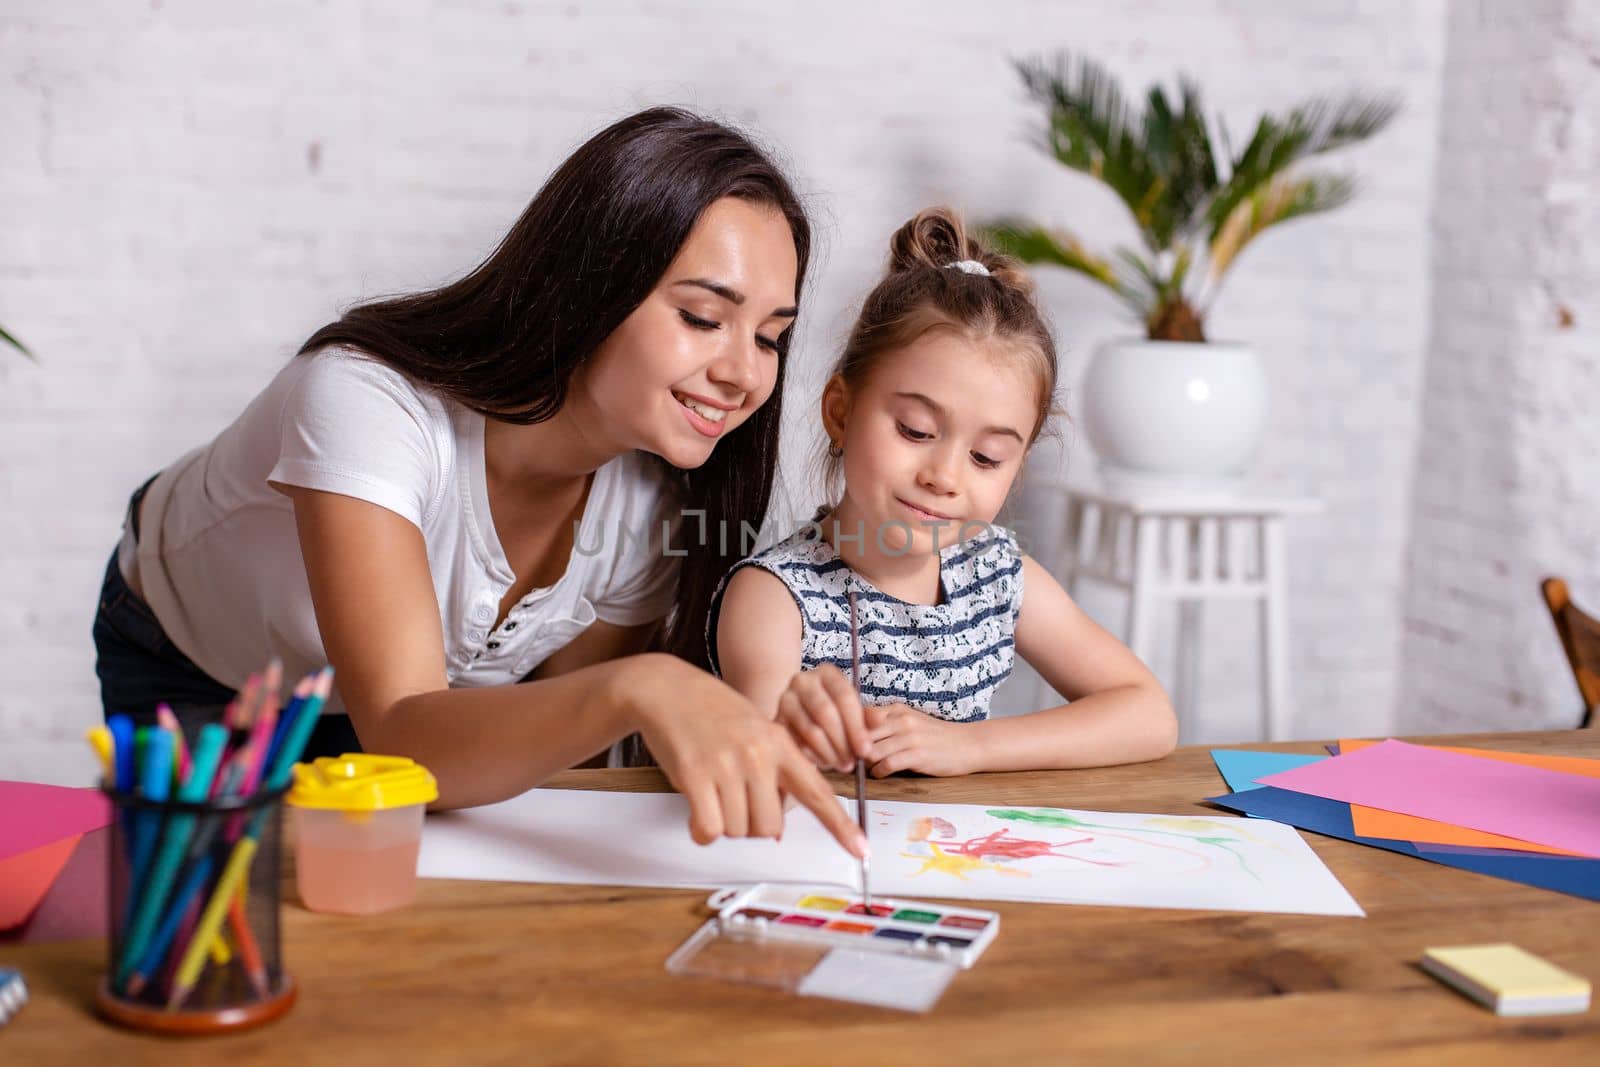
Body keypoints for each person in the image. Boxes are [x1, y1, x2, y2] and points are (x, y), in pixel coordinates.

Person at [91, 106, 867, 857]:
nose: (742, 373)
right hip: (205, 669)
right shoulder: (365, 402)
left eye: (771, 337)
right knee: (219, 937)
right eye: (703, 317)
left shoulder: (656, 509)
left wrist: (752, 720)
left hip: (423, 718)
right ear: (590, 285)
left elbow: (560, 750)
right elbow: (403, 733)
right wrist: (643, 686)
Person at [710, 207, 1177, 778]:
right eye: (915, 431)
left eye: (986, 458)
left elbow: (1148, 713)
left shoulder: (998, 575)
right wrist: (797, 733)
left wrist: (969, 748)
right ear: (840, 411)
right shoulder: (776, 597)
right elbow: (758, 751)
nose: (945, 476)